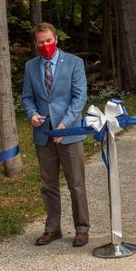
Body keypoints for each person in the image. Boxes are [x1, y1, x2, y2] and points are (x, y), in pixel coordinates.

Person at [21, 23, 90, 247]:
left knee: (76, 184)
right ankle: (53, 229)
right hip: (43, 134)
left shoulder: (74, 63)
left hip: (68, 133)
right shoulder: (31, 66)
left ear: (56, 39)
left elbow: (79, 98)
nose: (45, 45)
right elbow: (27, 97)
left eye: (48, 41)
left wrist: (65, 124)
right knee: (48, 185)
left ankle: (81, 229)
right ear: (35, 43)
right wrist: (31, 114)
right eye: (40, 42)